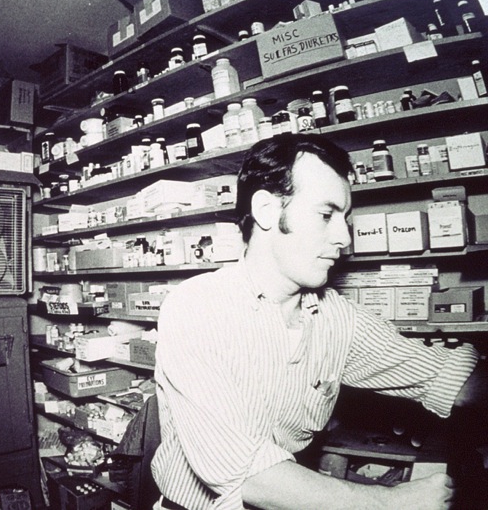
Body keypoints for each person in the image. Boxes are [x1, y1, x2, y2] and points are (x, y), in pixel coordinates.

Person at [152, 134, 486, 510]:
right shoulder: (198, 308)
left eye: (345, 219)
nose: (343, 237)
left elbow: (449, 377)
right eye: (326, 215)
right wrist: (392, 502)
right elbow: (248, 476)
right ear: (266, 210)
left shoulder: (335, 316)